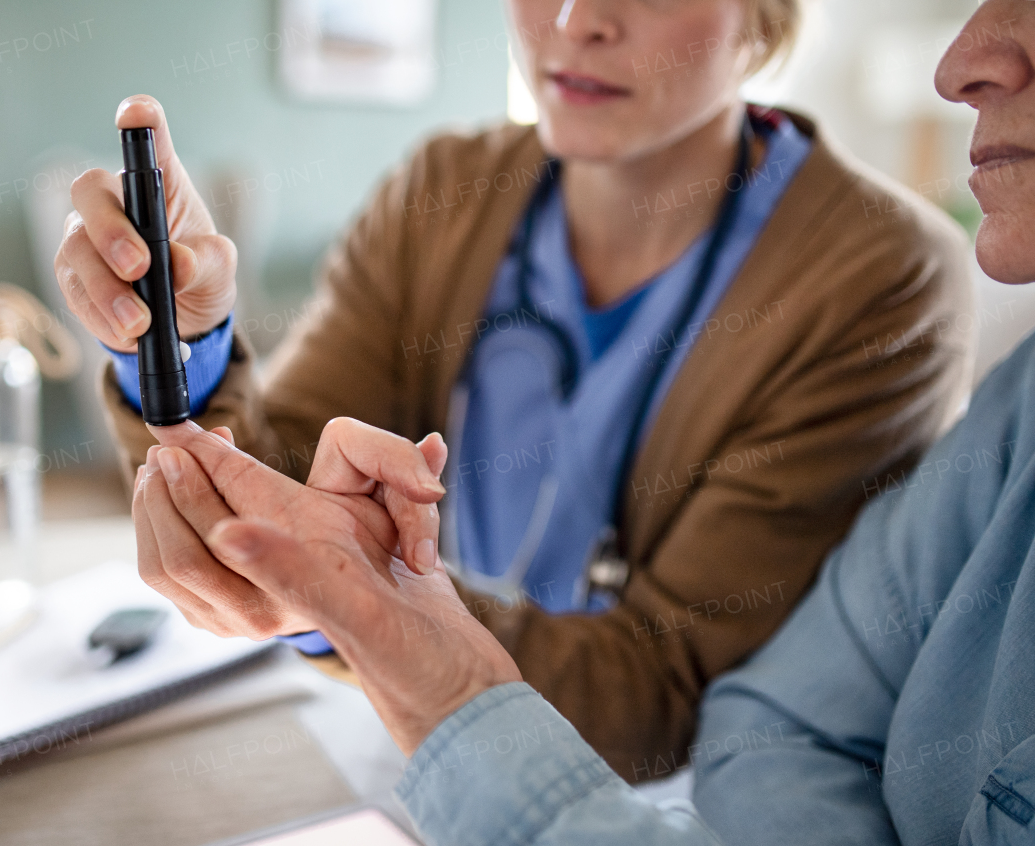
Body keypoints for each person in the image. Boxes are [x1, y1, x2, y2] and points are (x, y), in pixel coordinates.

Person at [136, 1, 1035, 842]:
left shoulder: (875, 275)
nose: (575, 21)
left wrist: (349, 600)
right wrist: (182, 342)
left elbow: (664, 692)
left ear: (763, 20)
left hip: (652, 798)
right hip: (404, 729)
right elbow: (275, 480)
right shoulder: (442, 188)